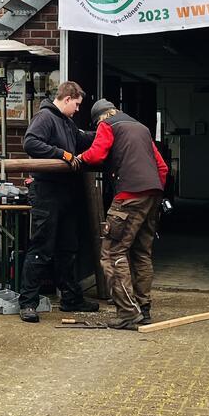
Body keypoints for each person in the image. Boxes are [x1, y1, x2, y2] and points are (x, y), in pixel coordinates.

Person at [73, 99, 168, 329]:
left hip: (129, 195)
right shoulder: (141, 128)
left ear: (100, 118)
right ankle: (143, 310)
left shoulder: (108, 125)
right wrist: (152, 193)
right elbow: (162, 167)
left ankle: (127, 312)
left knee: (112, 253)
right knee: (141, 253)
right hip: (153, 195)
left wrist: (78, 159)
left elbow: (95, 155)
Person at [18, 80, 99, 323]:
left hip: (65, 192)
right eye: (76, 104)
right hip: (47, 191)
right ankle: (28, 303)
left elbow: (83, 140)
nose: (77, 109)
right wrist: (62, 154)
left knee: (68, 247)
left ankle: (71, 298)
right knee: (42, 247)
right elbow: (30, 142)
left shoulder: (66, 122)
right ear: (67, 99)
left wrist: (109, 130)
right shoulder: (45, 117)